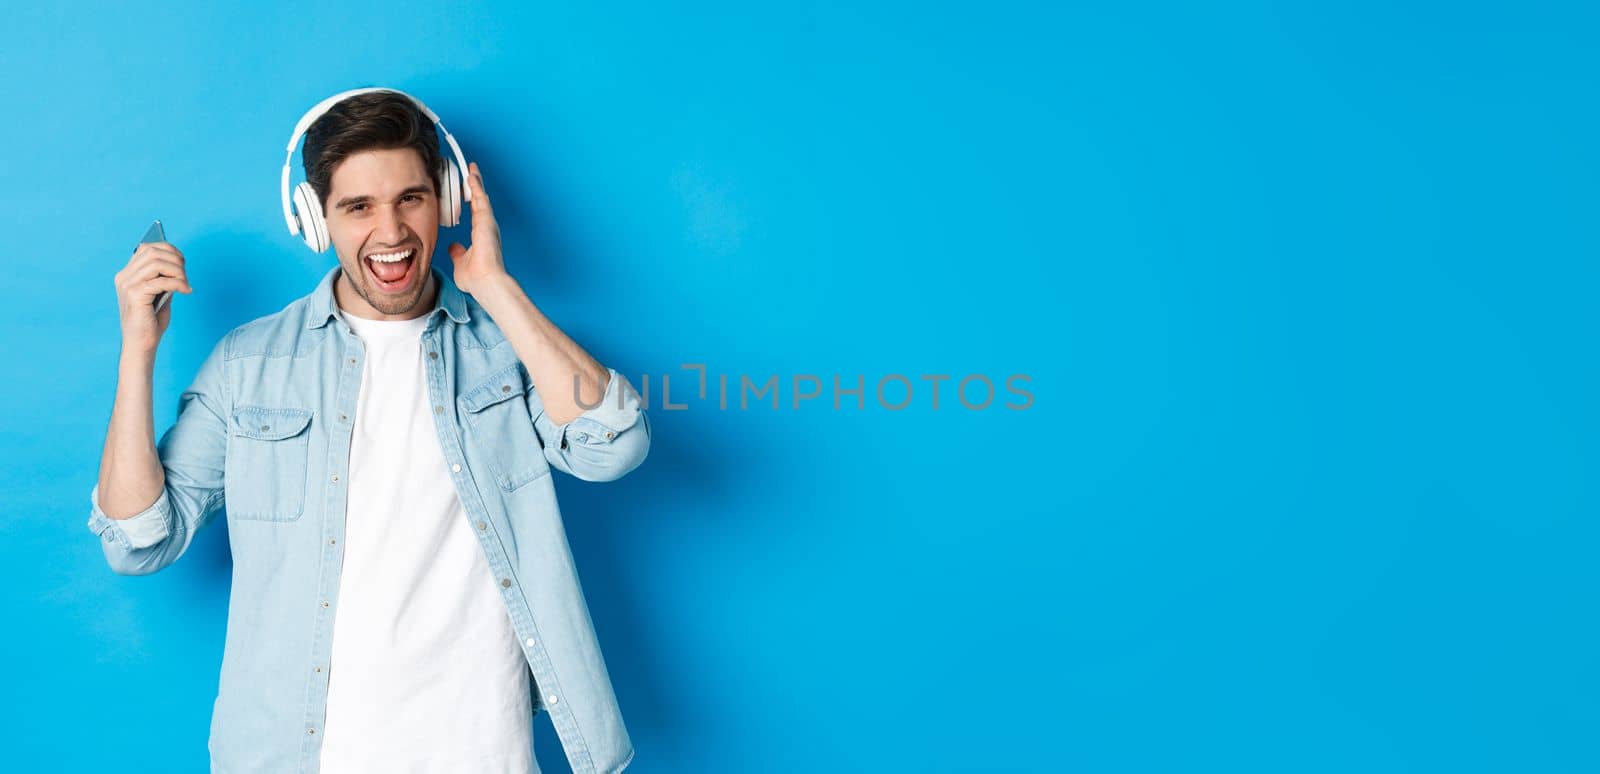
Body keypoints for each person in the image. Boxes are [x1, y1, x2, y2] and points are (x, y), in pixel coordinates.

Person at [88, 88, 649, 774]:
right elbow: (138, 539)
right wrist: (137, 349)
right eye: (358, 207)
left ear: (444, 202)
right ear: (316, 220)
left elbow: (614, 445)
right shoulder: (249, 364)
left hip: (482, 752)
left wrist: (496, 287)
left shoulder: (508, 349)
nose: (390, 232)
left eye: (410, 198)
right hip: (302, 758)